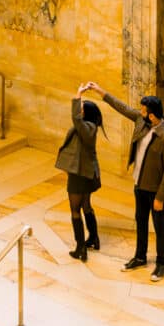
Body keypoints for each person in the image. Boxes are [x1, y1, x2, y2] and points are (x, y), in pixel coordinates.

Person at [82, 82, 164, 282]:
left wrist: (161, 197)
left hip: (155, 190)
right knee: (140, 221)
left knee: (159, 225)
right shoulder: (142, 121)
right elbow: (122, 107)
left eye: (143, 111)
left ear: (152, 115)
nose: (140, 112)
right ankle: (140, 257)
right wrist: (100, 91)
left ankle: (161, 264)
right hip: (139, 184)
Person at [54, 84, 104, 262]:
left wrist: (78, 95)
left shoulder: (87, 128)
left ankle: (80, 248)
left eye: (82, 109)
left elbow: (75, 119)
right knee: (86, 206)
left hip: (80, 174)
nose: (79, 111)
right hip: (87, 172)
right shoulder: (89, 127)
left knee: (75, 210)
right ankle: (94, 239)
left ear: (87, 113)